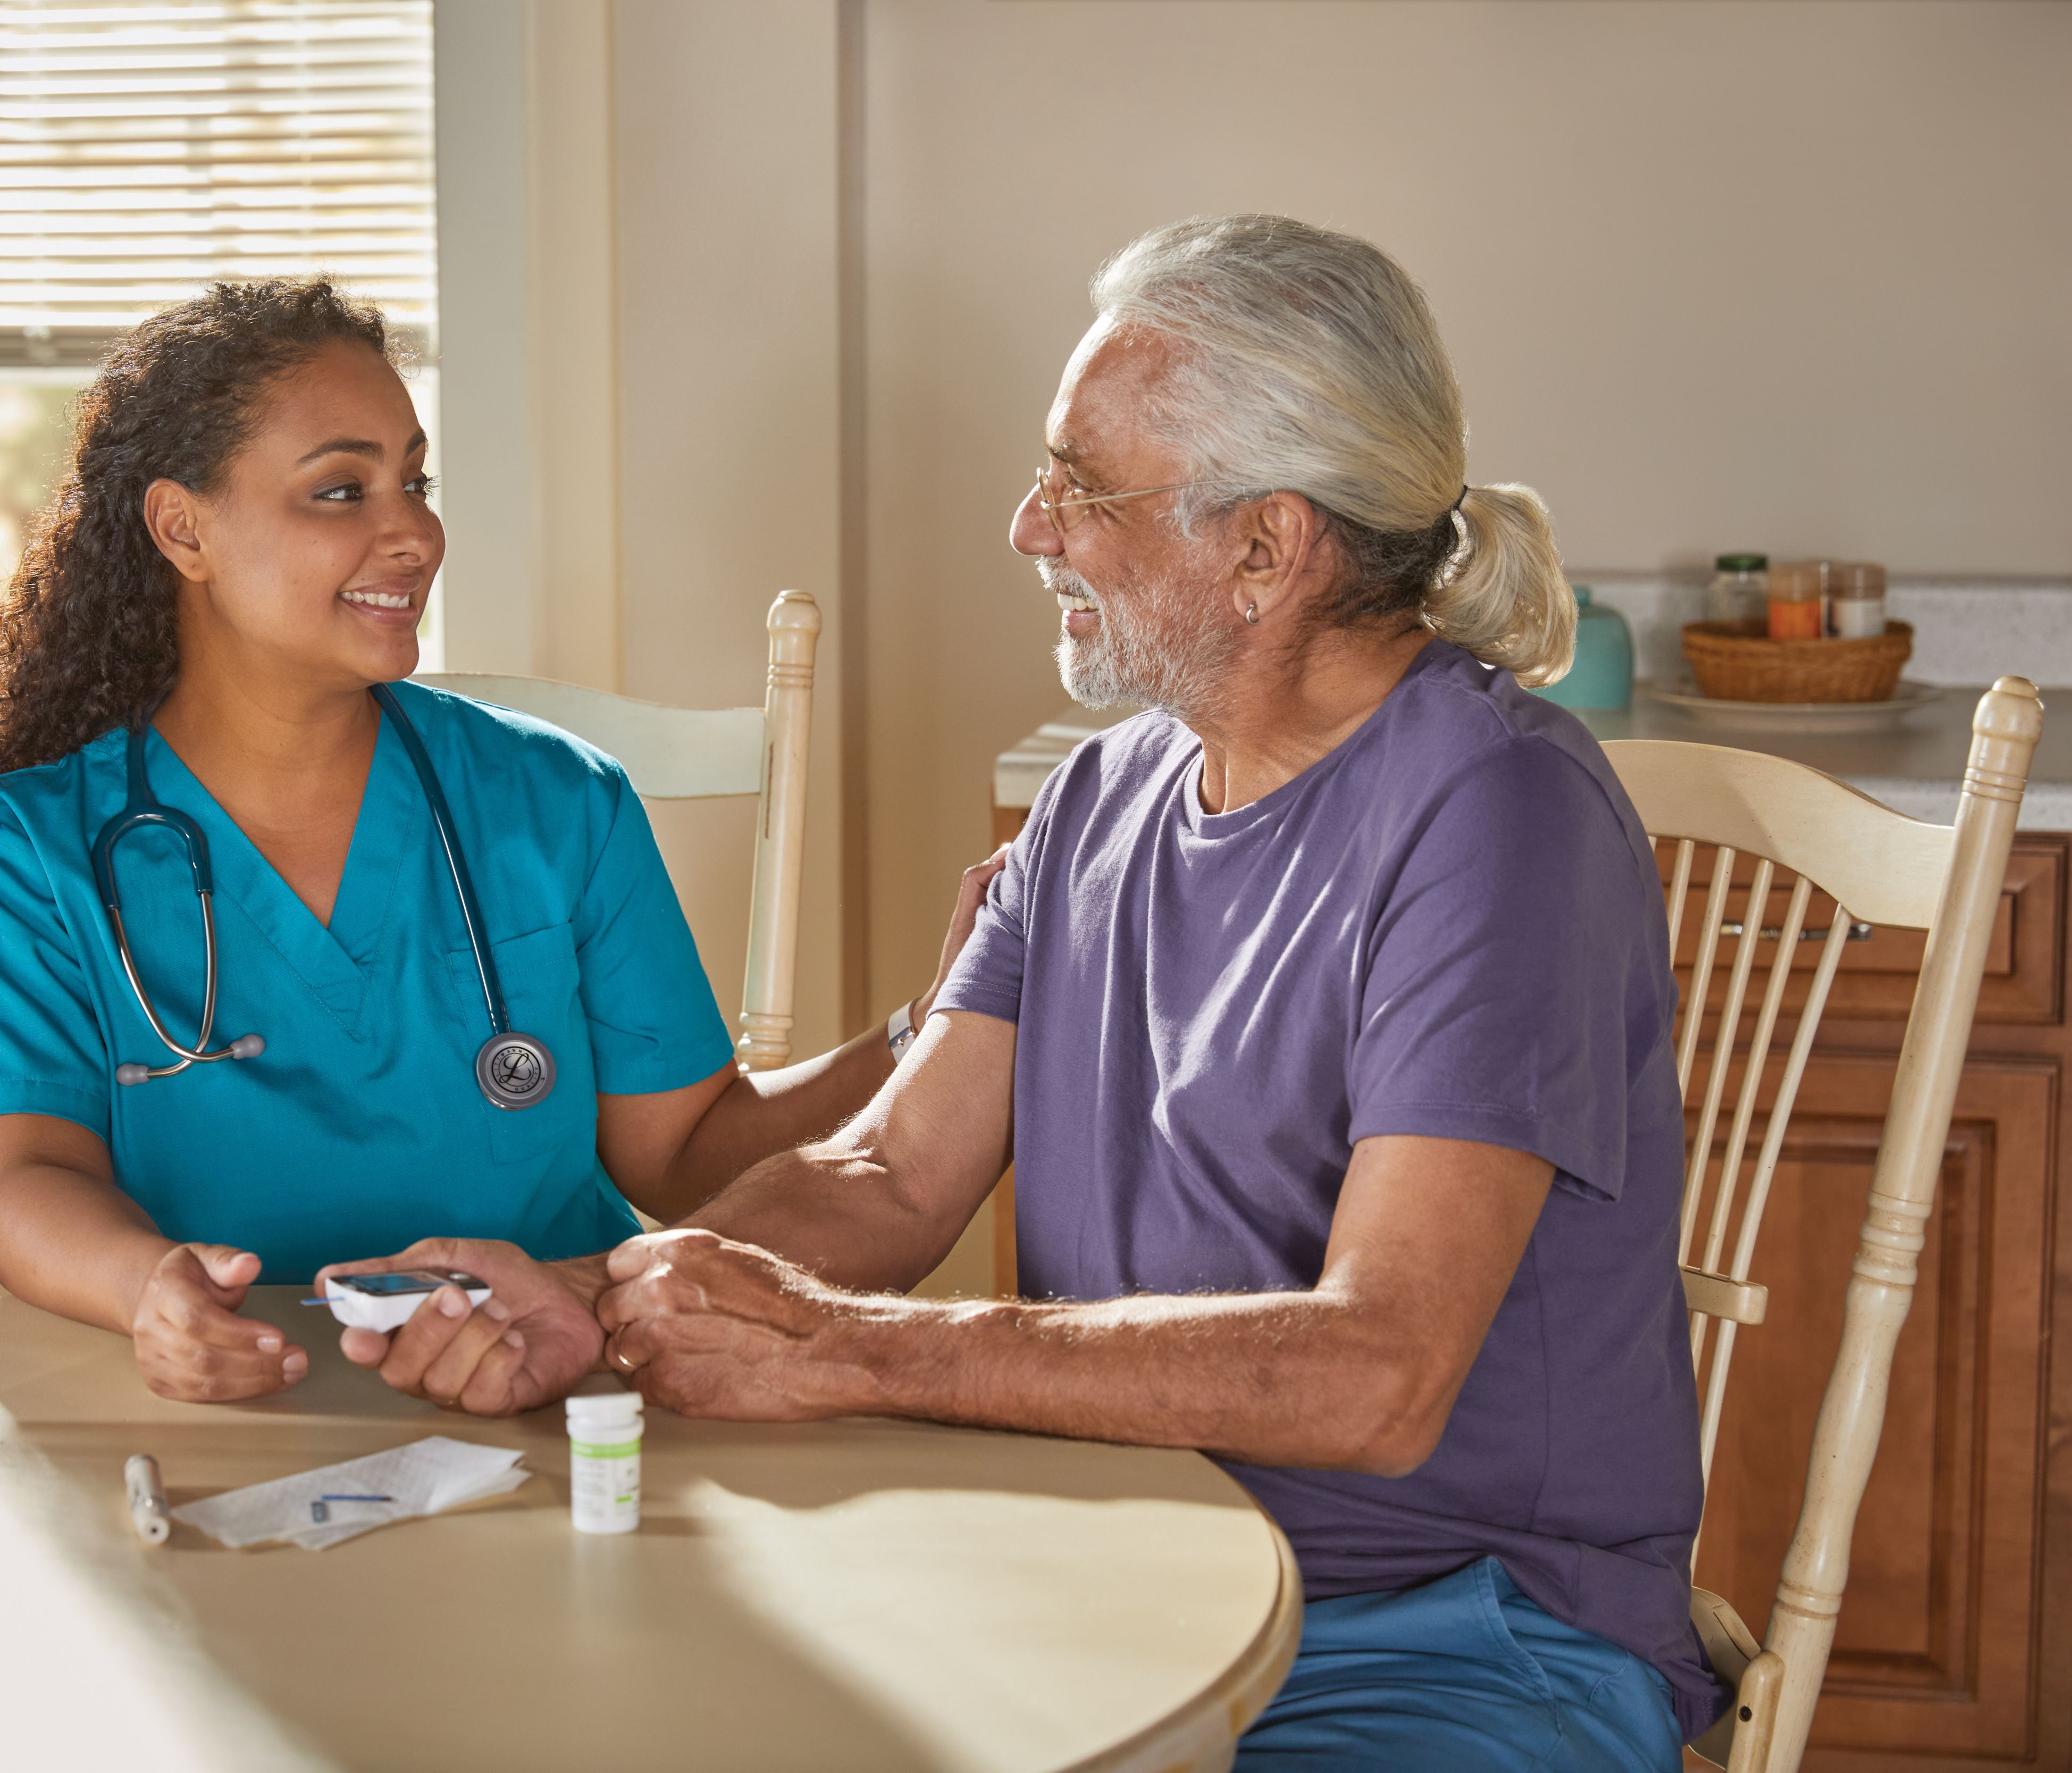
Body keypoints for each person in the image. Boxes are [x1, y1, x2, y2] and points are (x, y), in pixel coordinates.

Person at [332, 219, 1712, 1770]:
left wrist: (857, 1349)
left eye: (1081, 483)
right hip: (1105, 1568)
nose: (1026, 525)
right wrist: (587, 1301)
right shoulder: (1097, 796)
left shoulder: (1499, 812)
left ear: (1265, 547)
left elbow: (1378, 1372)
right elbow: (886, 1175)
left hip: (1449, 1633)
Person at [0, 279, 987, 1408]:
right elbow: (27, 1173)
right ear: (183, 528)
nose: (411, 531)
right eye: (340, 490)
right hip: (226, 1404)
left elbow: (690, 1152)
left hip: (551, 1385)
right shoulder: (31, 851)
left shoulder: (552, 798)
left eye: (414, 481)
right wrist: (148, 1287)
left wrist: (926, 1023)